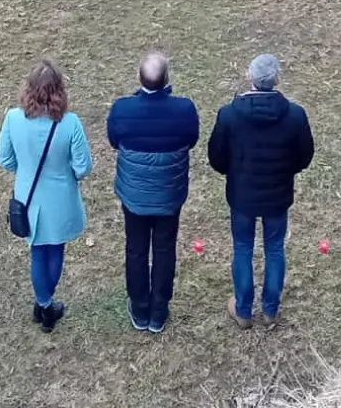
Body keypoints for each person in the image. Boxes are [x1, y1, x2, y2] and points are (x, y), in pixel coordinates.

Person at [208, 54, 315, 329]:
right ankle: (270, 310)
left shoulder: (229, 115)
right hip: (278, 195)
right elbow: (304, 156)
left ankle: (243, 310)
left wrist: (233, 172)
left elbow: (216, 157)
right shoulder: (294, 116)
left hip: (242, 195)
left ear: (250, 77)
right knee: (275, 248)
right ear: (277, 79)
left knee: (242, 248)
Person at [0, 60, 93, 332]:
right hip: (61, 199)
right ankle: (46, 304)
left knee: (38, 253)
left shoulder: (13, 118)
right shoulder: (70, 123)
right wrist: (69, 175)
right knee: (56, 251)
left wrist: (24, 171)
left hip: (29, 197)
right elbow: (83, 166)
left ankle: (44, 303)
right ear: (59, 91)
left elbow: (3, 157)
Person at [106, 53, 200, 334]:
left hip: (134, 198)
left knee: (135, 249)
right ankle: (158, 311)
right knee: (164, 248)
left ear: (139, 78)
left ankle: (139, 308)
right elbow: (191, 139)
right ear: (167, 79)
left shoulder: (122, 109)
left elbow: (114, 140)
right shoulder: (184, 110)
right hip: (169, 196)